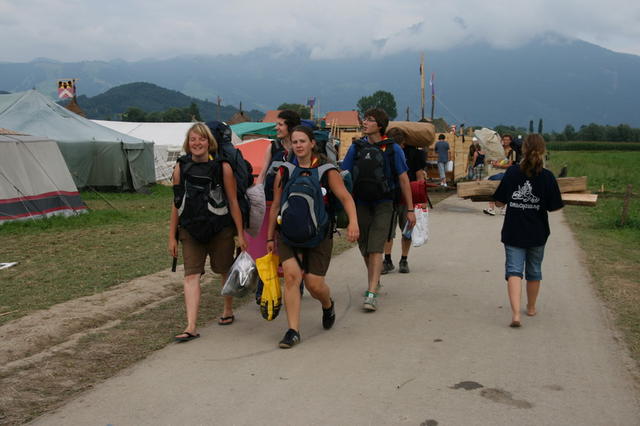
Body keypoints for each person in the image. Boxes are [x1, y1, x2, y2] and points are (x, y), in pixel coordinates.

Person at [266, 125, 359, 348]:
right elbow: (276, 205)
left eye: (302, 141)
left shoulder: (327, 170)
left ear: (312, 144)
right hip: (288, 233)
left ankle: (327, 304)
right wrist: (270, 237)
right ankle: (292, 331)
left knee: (314, 285)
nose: (298, 145)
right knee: (291, 278)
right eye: (294, 142)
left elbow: (345, 198)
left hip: (319, 234)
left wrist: (353, 223)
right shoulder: (284, 170)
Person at [168, 123, 247, 342]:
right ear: (187, 143)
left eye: (201, 139)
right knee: (191, 275)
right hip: (191, 229)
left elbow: (232, 201)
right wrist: (171, 236)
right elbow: (176, 203)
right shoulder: (180, 167)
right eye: (193, 139)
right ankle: (191, 326)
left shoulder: (223, 167)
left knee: (223, 270)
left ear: (209, 142)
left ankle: (228, 309)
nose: (197, 143)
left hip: (220, 228)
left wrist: (240, 233)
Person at [340, 108, 415, 312]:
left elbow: (404, 180)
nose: (365, 122)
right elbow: (344, 175)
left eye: (370, 120)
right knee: (364, 247)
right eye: (365, 119)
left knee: (375, 248)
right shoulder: (356, 148)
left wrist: (410, 209)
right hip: (361, 203)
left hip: (384, 203)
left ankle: (371, 292)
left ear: (379, 125)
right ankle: (375, 280)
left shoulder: (393, 149)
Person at [492, 134, 564, 328]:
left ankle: (516, 314)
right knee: (534, 271)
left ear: (523, 149)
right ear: (543, 150)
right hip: (538, 232)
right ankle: (531, 307)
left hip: (513, 230)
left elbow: (499, 202)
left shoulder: (512, 172)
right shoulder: (547, 177)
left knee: (514, 271)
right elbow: (555, 207)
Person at [381, 127, 426, 274]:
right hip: (393, 198)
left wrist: (421, 199)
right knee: (391, 231)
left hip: (406, 198)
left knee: (404, 230)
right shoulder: (385, 152)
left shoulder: (414, 154)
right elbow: (420, 177)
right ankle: (393, 260)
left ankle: (400, 260)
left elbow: (419, 176)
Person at [483, 134, 517, 216]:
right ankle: (492, 208)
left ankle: (503, 208)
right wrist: (492, 162)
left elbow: (510, 164)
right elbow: (488, 160)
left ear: (510, 141)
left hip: (505, 173)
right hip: (494, 172)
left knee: (502, 190)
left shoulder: (512, 152)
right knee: (492, 189)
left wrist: (499, 165)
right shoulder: (497, 150)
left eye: (507, 140)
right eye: (504, 139)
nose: (505, 141)